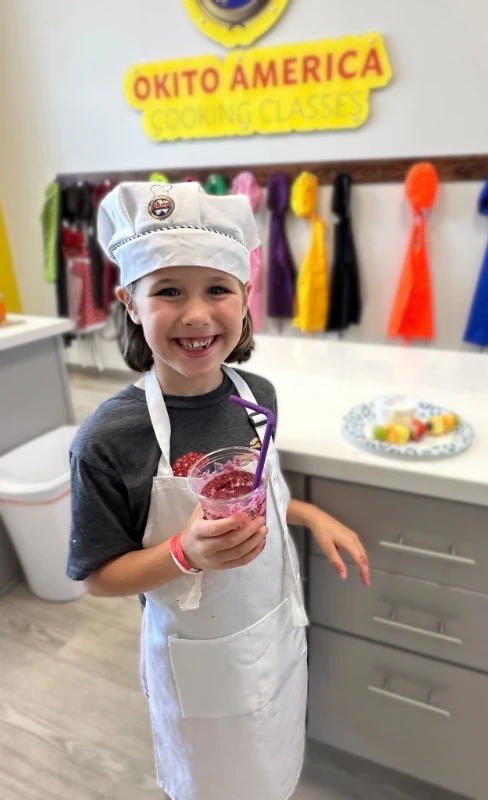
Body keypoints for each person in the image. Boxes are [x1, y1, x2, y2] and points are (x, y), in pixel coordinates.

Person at [67, 181, 370, 800]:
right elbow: (97, 575)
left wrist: (307, 515)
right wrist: (186, 553)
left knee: (273, 767)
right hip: (197, 665)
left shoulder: (257, 397)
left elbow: (263, 493)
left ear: (245, 296)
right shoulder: (108, 440)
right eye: (169, 291)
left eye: (217, 290)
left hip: (273, 637)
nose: (198, 314)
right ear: (129, 301)